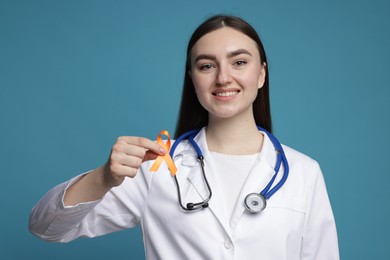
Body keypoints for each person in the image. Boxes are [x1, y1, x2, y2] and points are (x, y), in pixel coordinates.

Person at [29, 15, 339, 259]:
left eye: (239, 62)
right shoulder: (158, 167)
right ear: (193, 79)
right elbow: (46, 227)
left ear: (261, 74)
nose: (223, 77)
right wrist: (104, 177)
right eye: (206, 66)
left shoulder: (302, 172)